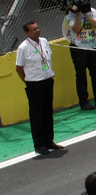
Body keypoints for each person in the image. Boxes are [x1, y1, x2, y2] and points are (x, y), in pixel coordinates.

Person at [16, 21, 59, 154]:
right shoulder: (23, 48)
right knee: (37, 115)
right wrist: (28, 81)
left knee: (48, 112)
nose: (37, 30)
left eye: (37, 28)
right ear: (27, 33)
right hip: (34, 84)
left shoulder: (44, 41)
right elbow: (19, 68)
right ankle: (39, 144)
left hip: (47, 80)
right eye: (33, 29)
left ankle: (49, 141)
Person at [64, 0, 96, 111]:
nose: (83, 0)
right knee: (81, 76)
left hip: (93, 46)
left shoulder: (92, 11)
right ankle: (84, 102)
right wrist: (79, 13)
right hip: (79, 48)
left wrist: (87, 14)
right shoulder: (70, 13)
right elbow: (77, 29)